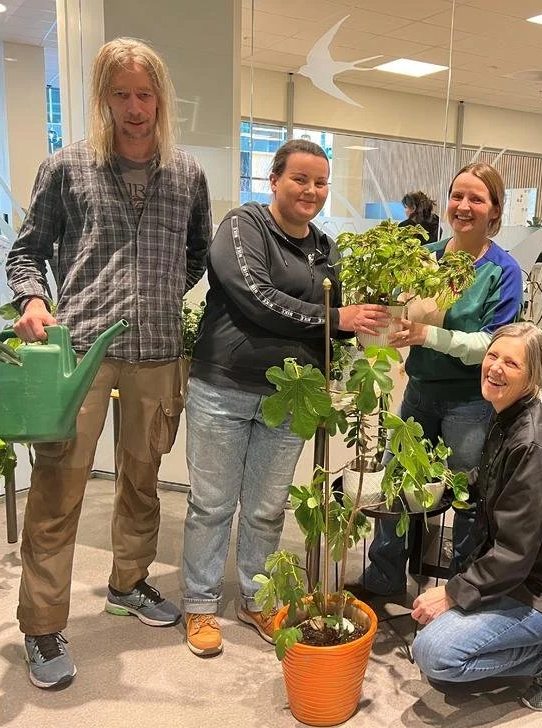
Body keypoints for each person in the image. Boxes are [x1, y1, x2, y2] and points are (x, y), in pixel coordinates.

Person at [5, 38, 212, 689]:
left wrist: (152, 299)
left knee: (141, 481)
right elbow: (26, 253)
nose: (133, 108)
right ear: (103, 98)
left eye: (143, 94)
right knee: (58, 489)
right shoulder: (68, 168)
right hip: (80, 355)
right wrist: (35, 300)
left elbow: (197, 256)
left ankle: (128, 584)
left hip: (155, 354)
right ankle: (41, 627)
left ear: (160, 99)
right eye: (120, 94)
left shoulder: (187, 175)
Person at [181, 139, 389, 657]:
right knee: (211, 504)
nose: (311, 191)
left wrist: (377, 324)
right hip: (224, 388)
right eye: (300, 179)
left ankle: (256, 599)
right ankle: (201, 606)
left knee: (267, 508)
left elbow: (337, 324)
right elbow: (254, 297)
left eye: (320, 183)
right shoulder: (243, 226)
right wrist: (335, 318)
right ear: (274, 180)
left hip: (291, 398)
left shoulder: (325, 248)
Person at [353, 163, 524, 598]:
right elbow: (396, 311)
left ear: (495, 210)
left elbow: (491, 344)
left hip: (470, 402)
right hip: (419, 393)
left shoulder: (503, 271)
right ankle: (385, 577)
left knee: (465, 498)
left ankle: (460, 591)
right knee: (396, 484)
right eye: (457, 196)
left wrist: (428, 335)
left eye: (477, 199)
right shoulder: (422, 258)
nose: (464, 207)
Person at [411, 322, 542, 712]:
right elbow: (485, 480)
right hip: (511, 580)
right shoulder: (506, 415)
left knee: (436, 655)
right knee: (438, 668)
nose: (495, 368)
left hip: (539, 592)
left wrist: (452, 593)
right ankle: (531, 649)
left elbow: (514, 553)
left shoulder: (531, 444)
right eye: (492, 355)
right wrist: (443, 485)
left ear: (533, 376)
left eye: (511, 363)